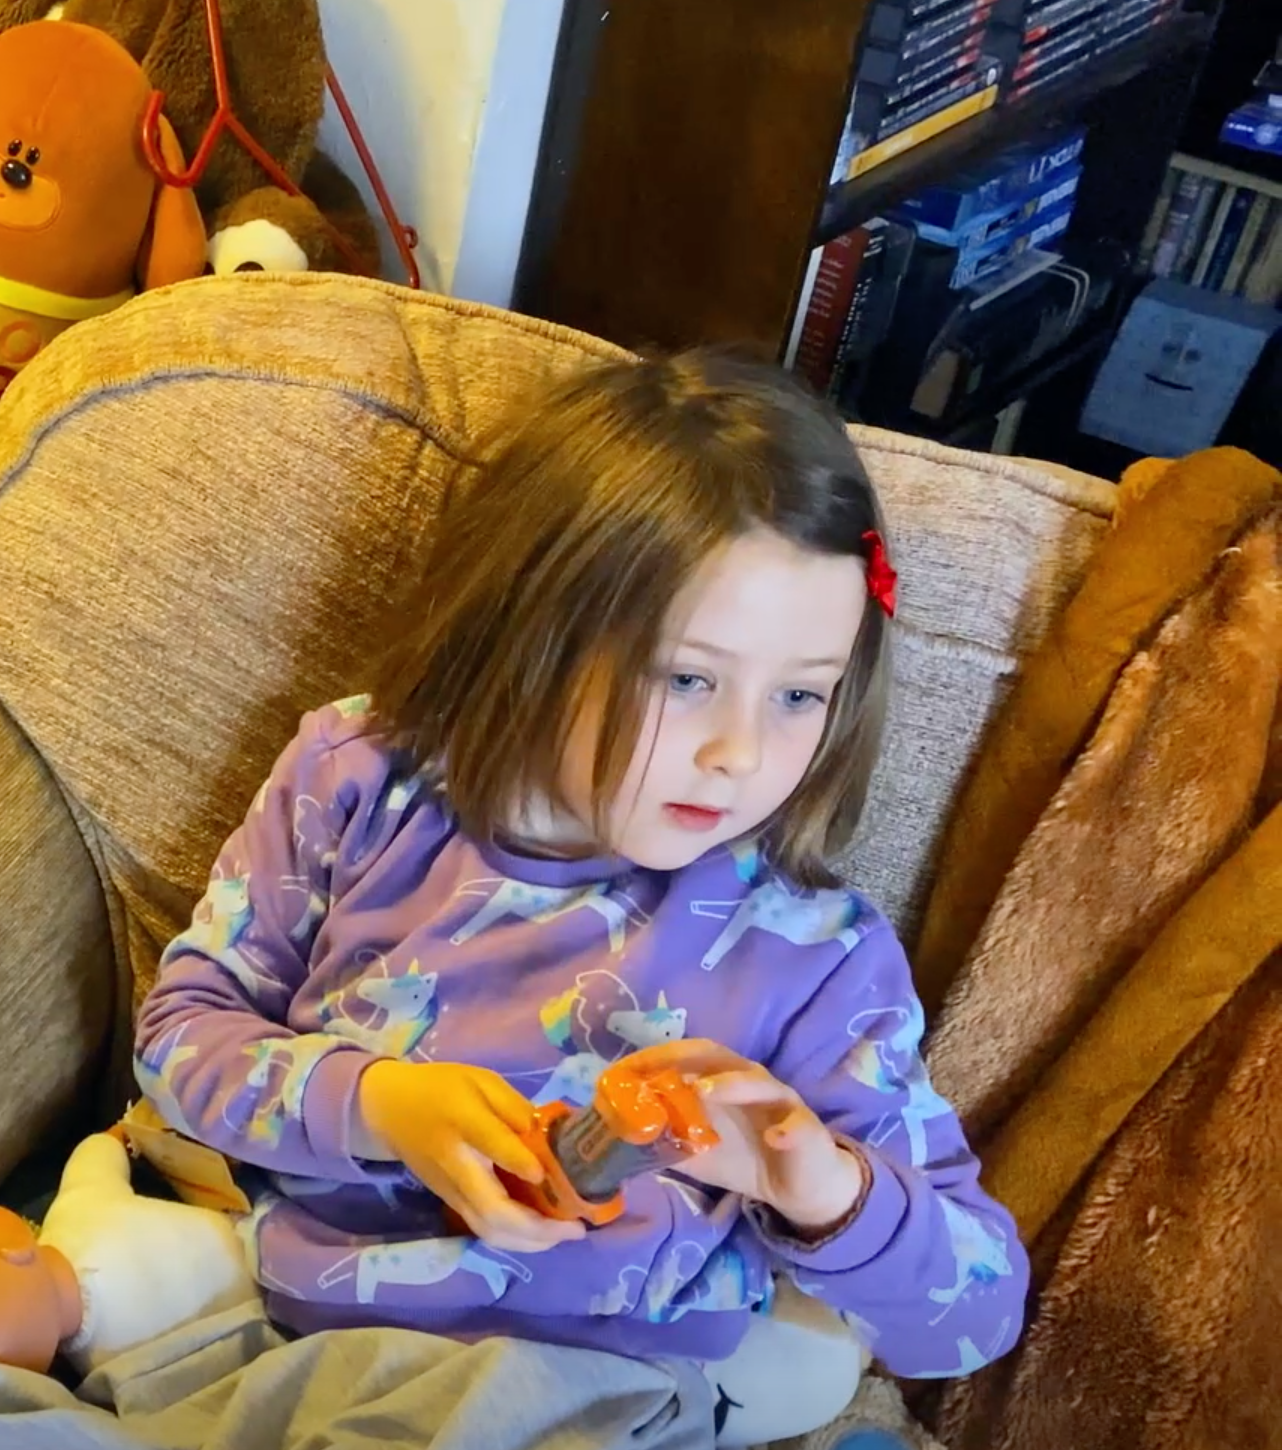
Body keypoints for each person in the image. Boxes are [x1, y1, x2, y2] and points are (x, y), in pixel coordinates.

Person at [134, 350, 1024, 1441]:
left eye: (801, 695)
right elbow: (179, 1043)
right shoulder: (357, 777)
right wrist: (381, 1106)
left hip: (620, 1396)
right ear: (537, 627)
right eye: (687, 677)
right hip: (324, 1351)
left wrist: (822, 1183)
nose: (740, 753)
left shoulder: (816, 956)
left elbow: (977, 1318)